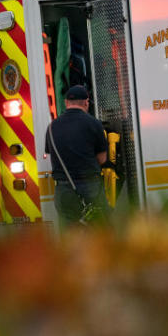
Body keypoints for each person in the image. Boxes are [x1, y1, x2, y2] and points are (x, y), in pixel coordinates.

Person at [45, 85, 108, 228]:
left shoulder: (51, 127)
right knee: (101, 234)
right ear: (86, 102)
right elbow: (102, 159)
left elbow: (53, 156)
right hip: (90, 188)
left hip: (63, 191)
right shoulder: (94, 124)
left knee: (70, 234)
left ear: (66, 103)